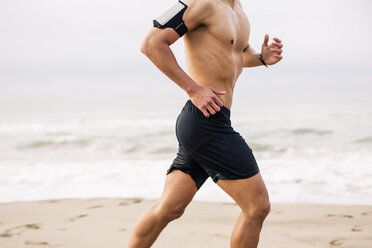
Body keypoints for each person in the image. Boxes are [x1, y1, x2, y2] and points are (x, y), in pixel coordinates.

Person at [128, 0, 283, 247]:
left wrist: (261, 58)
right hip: (204, 121)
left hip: (212, 120)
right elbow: (151, 43)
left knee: (170, 208)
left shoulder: (238, 10)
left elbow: (238, 55)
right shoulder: (200, 2)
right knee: (257, 206)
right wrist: (193, 89)